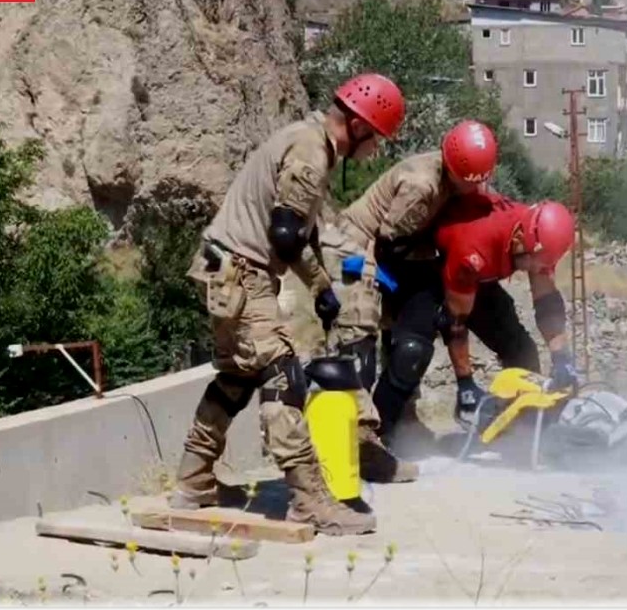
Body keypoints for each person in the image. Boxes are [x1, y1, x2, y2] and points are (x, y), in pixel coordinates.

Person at [170, 73, 405, 536]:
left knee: (237, 378)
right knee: (282, 377)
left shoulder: (305, 141)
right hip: (242, 272)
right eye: (376, 139)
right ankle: (309, 500)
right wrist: (319, 285)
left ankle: (193, 480)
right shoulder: (311, 152)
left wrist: (321, 290)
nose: (375, 151)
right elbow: (284, 233)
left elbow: (297, 233)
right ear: (357, 125)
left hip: (226, 270)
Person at [319, 120, 499, 475]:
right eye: (472, 181)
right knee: (359, 339)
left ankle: (401, 420)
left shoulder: (459, 175)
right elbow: (390, 242)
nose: (476, 187)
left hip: (396, 254)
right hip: (356, 249)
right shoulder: (422, 185)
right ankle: (359, 443)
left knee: (411, 341)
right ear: (455, 168)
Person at [369, 191, 580, 436]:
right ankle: (377, 435)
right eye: (535, 263)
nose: (537, 270)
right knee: (412, 353)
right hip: (426, 265)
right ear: (519, 239)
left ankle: (523, 432)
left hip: (477, 272)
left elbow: (546, 304)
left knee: (522, 351)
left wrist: (562, 357)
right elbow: (455, 322)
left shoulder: (536, 239)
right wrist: (465, 385)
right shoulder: (476, 245)